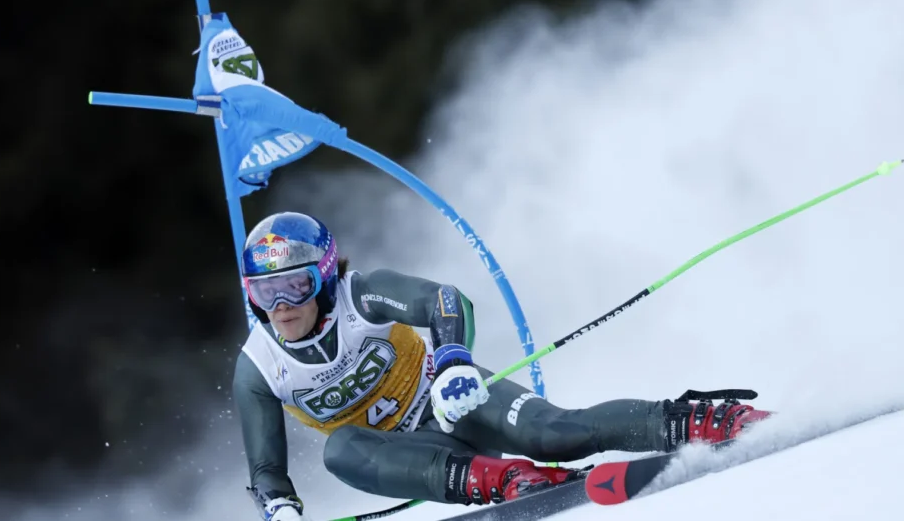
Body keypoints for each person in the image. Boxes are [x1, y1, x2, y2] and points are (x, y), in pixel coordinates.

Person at [233, 211, 773, 521]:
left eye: (294, 285)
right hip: (415, 457)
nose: (280, 306)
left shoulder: (361, 296)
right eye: (264, 292)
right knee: (339, 449)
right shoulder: (259, 366)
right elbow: (266, 471)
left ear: (324, 277)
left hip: (456, 406)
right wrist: (279, 508)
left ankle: (704, 421)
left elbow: (445, 300)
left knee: (557, 432)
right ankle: (514, 481)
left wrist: (450, 364)